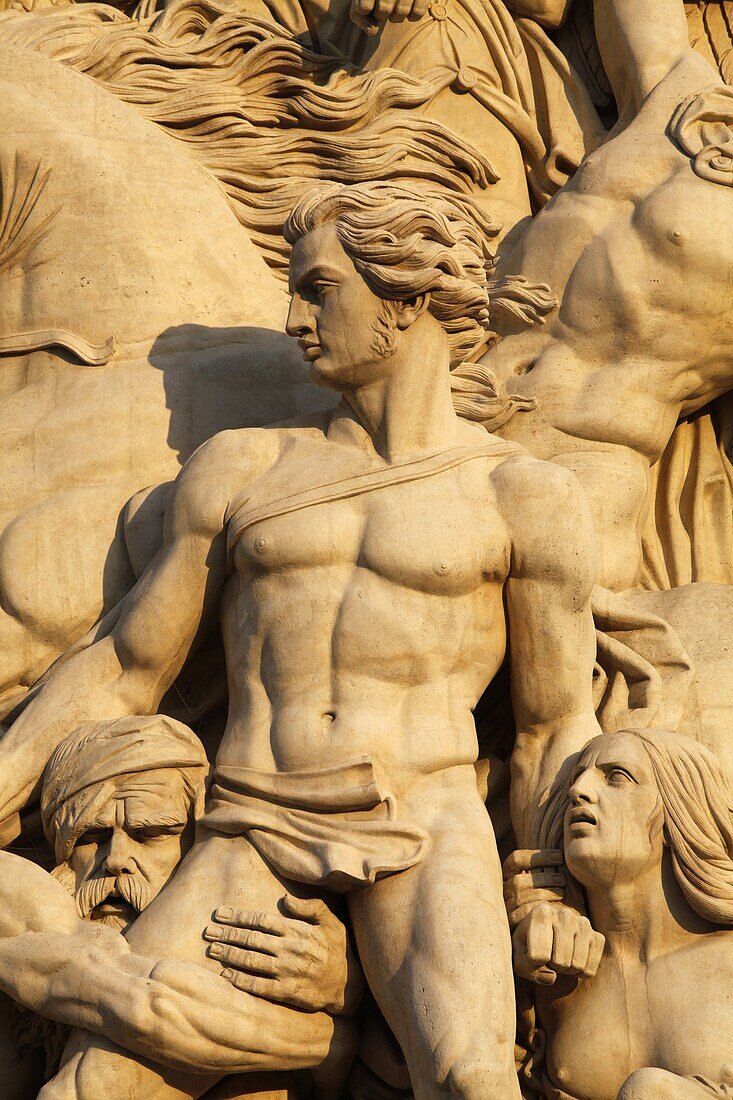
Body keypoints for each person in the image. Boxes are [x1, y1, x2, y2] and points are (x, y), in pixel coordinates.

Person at [0, 180, 603, 1098]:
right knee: (90, 1089)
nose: (291, 317)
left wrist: (553, 885)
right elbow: (126, 668)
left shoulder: (520, 495)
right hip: (251, 819)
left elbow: (551, 724)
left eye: (318, 289)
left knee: (473, 1080)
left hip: (424, 822)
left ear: (404, 299)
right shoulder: (243, 467)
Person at [0, 717, 357, 1099]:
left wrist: (346, 982)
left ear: (196, 850)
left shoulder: (254, 930)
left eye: (151, 833)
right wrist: (336, 1042)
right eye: (92, 837)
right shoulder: (26, 911)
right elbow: (147, 1009)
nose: (117, 859)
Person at [510, 728, 733, 1100]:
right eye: (576, 776)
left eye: (617, 776)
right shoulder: (550, 977)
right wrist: (498, 957)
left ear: (673, 813)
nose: (577, 789)